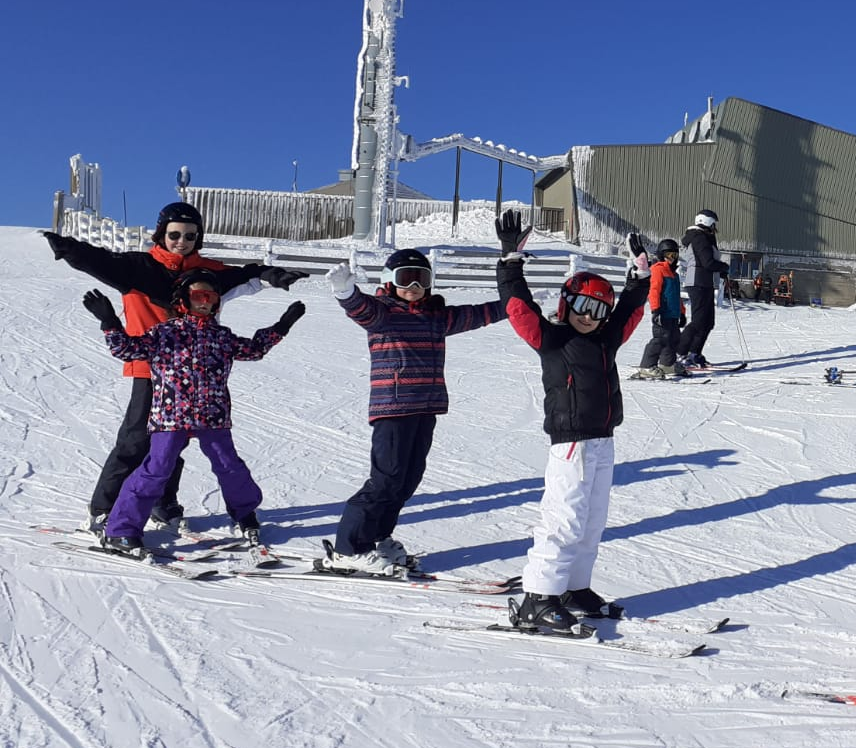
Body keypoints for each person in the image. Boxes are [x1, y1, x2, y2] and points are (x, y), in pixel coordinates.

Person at [43, 202, 307, 533]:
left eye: (190, 235)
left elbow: (246, 276)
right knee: (136, 441)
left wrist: (272, 276)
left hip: (197, 372)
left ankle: (162, 502)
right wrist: (70, 248)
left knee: (172, 445)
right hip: (150, 366)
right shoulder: (139, 267)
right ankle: (104, 507)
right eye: (174, 234)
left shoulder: (208, 273)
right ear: (161, 233)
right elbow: (100, 261)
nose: (181, 241)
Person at [495, 209, 650, 629]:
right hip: (571, 445)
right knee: (563, 518)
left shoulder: (605, 339)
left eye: (599, 310)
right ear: (566, 304)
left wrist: (640, 274)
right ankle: (538, 596)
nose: (589, 315)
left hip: (602, 440)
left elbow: (632, 308)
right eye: (581, 305)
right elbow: (517, 304)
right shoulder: (553, 338)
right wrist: (510, 261)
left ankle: (573, 586)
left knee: (591, 521)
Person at [81, 271, 304, 556]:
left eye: (211, 297)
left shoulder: (220, 337)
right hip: (171, 417)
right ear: (184, 300)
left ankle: (245, 514)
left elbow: (254, 349)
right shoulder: (165, 332)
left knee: (230, 466)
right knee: (156, 469)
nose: (206, 301)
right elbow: (127, 349)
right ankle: (121, 530)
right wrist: (109, 321)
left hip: (212, 416)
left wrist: (282, 325)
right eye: (199, 296)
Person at [323, 247, 508, 575]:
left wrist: (513, 304)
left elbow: (478, 314)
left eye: (421, 279)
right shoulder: (384, 313)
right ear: (389, 282)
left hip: (426, 408)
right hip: (393, 408)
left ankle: (379, 536)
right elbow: (359, 309)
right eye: (405, 278)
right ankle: (348, 548)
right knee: (385, 480)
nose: (414, 286)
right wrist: (345, 291)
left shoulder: (437, 318)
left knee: (407, 480)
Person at [677, 209, 728, 368]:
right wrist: (723, 267)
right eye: (713, 224)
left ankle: (694, 353)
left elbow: (710, 262)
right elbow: (707, 262)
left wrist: (720, 271)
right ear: (706, 222)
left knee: (708, 322)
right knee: (699, 321)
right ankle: (679, 353)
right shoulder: (699, 238)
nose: (715, 227)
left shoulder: (706, 237)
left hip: (705, 283)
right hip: (697, 282)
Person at [634, 238, 687, 380]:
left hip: (673, 315)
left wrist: (682, 313)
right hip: (662, 313)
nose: (672, 258)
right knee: (660, 339)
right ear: (662, 255)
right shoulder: (658, 270)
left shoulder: (674, 274)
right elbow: (654, 291)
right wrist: (655, 310)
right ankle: (646, 366)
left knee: (673, 339)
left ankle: (667, 364)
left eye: (675, 255)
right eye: (669, 255)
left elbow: (676, 296)